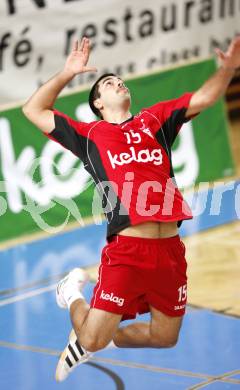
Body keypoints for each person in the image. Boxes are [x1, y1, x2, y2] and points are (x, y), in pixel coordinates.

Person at [22, 36, 240, 382]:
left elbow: (206, 97)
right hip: (128, 251)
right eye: (109, 83)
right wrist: (67, 73)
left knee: (165, 337)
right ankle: (71, 293)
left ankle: (98, 343)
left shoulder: (156, 120)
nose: (118, 82)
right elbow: (33, 110)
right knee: (92, 333)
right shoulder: (89, 136)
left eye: (119, 80)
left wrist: (228, 68)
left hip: (169, 250)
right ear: (98, 102)